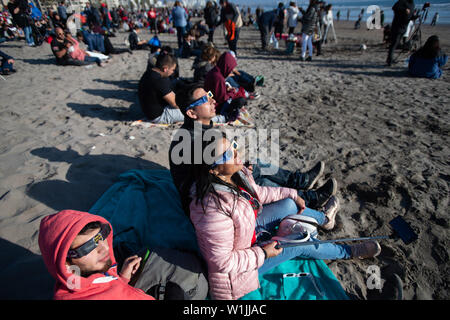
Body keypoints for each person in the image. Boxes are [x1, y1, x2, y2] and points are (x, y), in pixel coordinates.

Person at [188, 134, 381, 300]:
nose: (237, 154)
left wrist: (292, 193)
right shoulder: (211, 208)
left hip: (247, 233)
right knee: (297, 241)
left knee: (289, 204)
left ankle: (324, 219)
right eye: (228, 154)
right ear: (213, 169)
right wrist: (263, 253)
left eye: (234, 146)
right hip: (235, 273)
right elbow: (223, 263)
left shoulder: (234, 175)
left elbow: (259, 194)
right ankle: (348, 252)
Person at [169, 83, 336, 216]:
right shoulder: (193, 141)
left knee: (256, 166)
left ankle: (301, 181)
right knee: (260, 181)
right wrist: (241, 171)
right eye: (205, 99)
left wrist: (241, 165)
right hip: (208, 198)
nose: (213, 100)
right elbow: (216, 181)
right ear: (191, 113)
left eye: (210, 95)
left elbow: (225, 157)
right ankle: (309, 198)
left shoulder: (204, 128)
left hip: (218, 180)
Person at [38, 210, 156, 299]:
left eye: (102, 235)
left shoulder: (81, 279)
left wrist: (122, 279)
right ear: (65, 262)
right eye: (88, 246)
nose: (104, 248)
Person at [138, 53, 183, 124]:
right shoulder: (159, 80)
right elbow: (176, 103)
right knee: (196, 114)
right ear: (165, 69)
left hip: (148, 111)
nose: (173, 72)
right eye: (172, 70)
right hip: (159, 116)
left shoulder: (149, 72)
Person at [386, 0, 415, 66]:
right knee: (394, 44)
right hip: (397, 27)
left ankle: (390, 59)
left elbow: (410, 15)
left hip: (404, 28)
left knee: (396, 44)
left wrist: (414, 17)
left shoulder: (412, 4)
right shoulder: (402, 1)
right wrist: (404, 9)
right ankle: (389, 61)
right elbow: (394, 8)